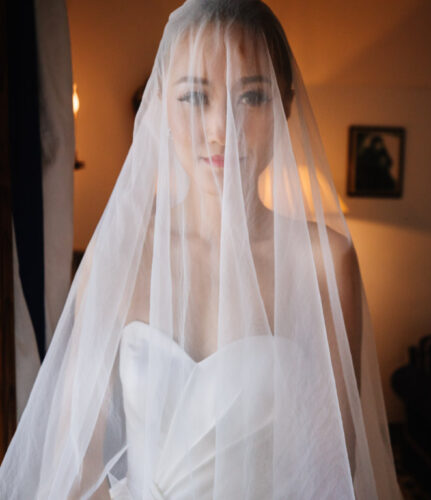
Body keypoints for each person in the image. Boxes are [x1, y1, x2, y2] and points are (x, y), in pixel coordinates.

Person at [0, 0, 401, 498]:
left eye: (251, 97)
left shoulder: (325, 263)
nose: (220, 129)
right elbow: (76, 460)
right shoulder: (117, 261)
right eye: (194, 97)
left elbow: (330, 463)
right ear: (161, 107)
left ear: (285, 107)